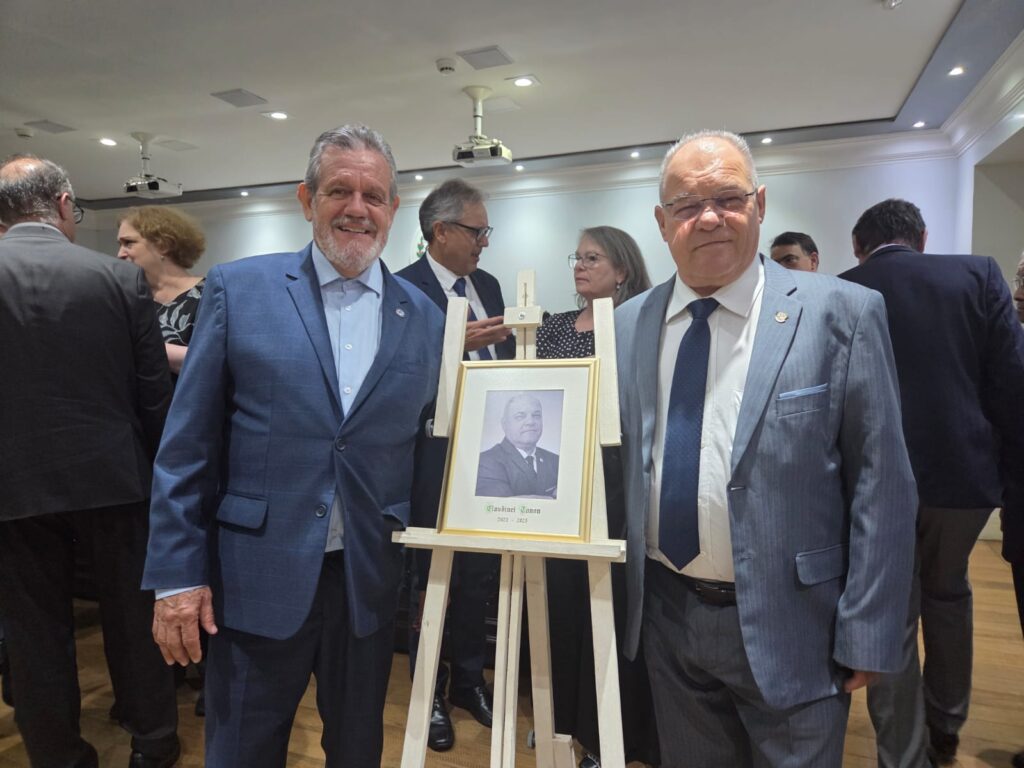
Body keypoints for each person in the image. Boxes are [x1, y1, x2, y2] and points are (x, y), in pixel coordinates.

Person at [141, 124, 446, 768]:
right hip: (254, 577)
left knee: (357, 751)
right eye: (339, 191)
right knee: (242, 752)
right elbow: (187, 445)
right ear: (307, 199)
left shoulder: (425, 318)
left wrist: (432, 574)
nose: (357, 208)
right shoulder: (239, 289)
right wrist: (177, 577)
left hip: (366, 583)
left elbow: (425, 457)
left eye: (374, 195)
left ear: (393, 209)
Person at [614, 130, 917, 768]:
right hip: (667, 616)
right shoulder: (627, 323)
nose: (709, 218)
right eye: (687, 206)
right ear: (662, 223)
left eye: (728, 198)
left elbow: (882, 484)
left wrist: (868, 628)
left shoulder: (844, 312)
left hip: (798, 625)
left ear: (759, 204)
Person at [0, 154, 179, 768]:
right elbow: (152, 392)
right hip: (115, 477)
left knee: (33, 631)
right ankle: (153, 742)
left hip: (12, 484)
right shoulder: (117, 279)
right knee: (132, 617)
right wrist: (162, 477)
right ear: (63, 205)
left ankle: (57, 754)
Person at [841, 199, 1024, 768]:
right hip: (964, 478)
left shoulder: (840, 289)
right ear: (921, 237)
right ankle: (946, 726)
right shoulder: (978, 274)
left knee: (891, 614)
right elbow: (1012, 382)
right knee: (949, 593)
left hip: (873, 486)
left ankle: (903, 755)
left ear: (858, 247)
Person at [395, 178, 512, 750]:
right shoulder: (400, 290)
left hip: (490, 459)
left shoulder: (488, 285)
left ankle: (469, 680)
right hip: (432, 460)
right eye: (477, 231)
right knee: (431, 583)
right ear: (440, 231)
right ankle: (430, 691)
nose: (485, 242)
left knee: (478, 578)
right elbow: (393, 379)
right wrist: (448, 346)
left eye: (487, 231)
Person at [537, 226, 658, 768]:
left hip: (619, 480)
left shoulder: (641, 324)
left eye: (593, 258)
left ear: (622, 269)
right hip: (558, 478)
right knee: (561, 601)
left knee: (611, 605)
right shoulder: (553, 326)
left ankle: (607, 727)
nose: (580, 266)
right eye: (578, 257)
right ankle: (562, 720)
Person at [117, 206, 207, 378]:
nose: (120, 254)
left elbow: (212, 360)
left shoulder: (210, 295)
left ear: (163, 245)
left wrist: (139, 348)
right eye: (120, 244)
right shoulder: (126, 300)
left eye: (129, 243)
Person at [476, 393, 559, 498]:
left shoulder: (555, 461)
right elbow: (505, 504)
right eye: (520, 417)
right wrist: (554, 498)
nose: (530, 422)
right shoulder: (486, 461)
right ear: (504, 424)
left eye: (536, 415)